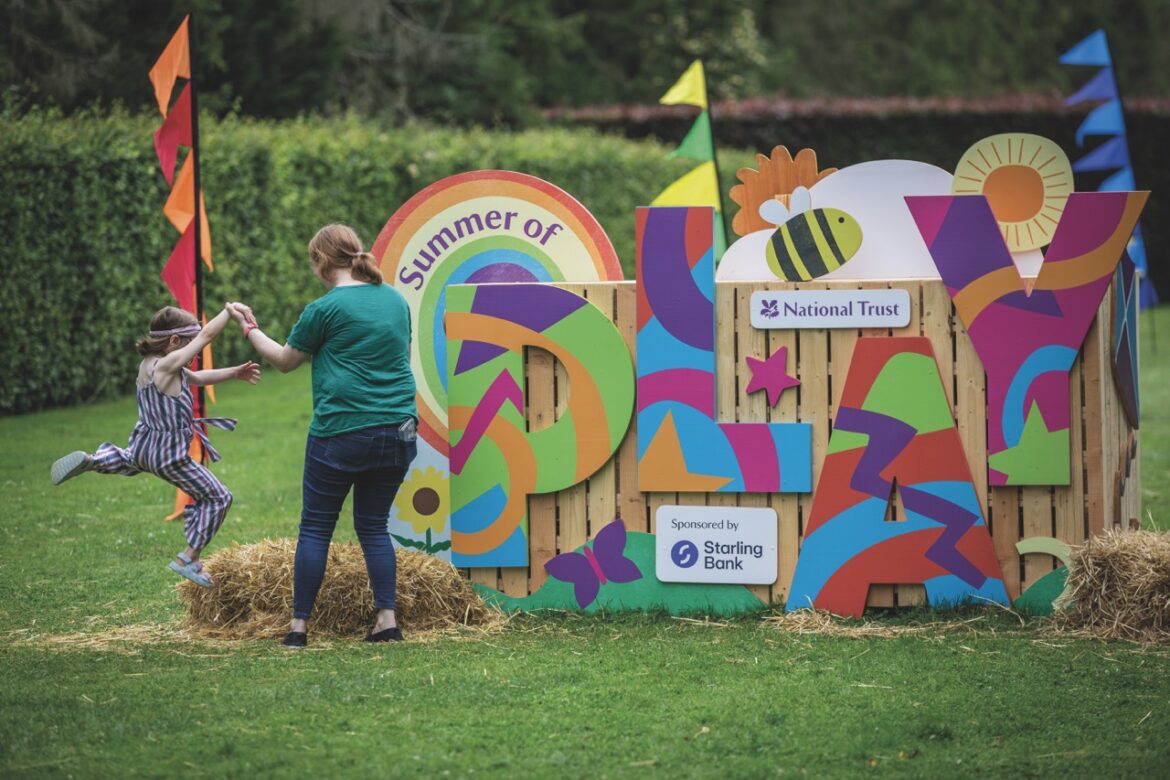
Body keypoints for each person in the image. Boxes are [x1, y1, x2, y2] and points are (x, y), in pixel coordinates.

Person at [230, 223, 417, 647]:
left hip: (342, 433)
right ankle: (386, 620)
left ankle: (298, 629)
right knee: (373, 525)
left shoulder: (324, 309)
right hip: (399, 431)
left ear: (319, 261)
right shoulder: (396, 301)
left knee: (316, 527)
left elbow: (284, 361)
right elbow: (403, 361)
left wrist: (249, 328)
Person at [50, 305, 260, 587]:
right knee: (220, 497)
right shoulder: (168, 366)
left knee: (129, 460)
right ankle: (188, 559)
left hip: (143, 446)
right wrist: (230, 311)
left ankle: (94, 461)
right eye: (190, 342)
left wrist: (234, 372)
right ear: (175, 342)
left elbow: (197, 378)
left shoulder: (149, 364)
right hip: (168, 455)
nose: (195, 351)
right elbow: (208, 334)